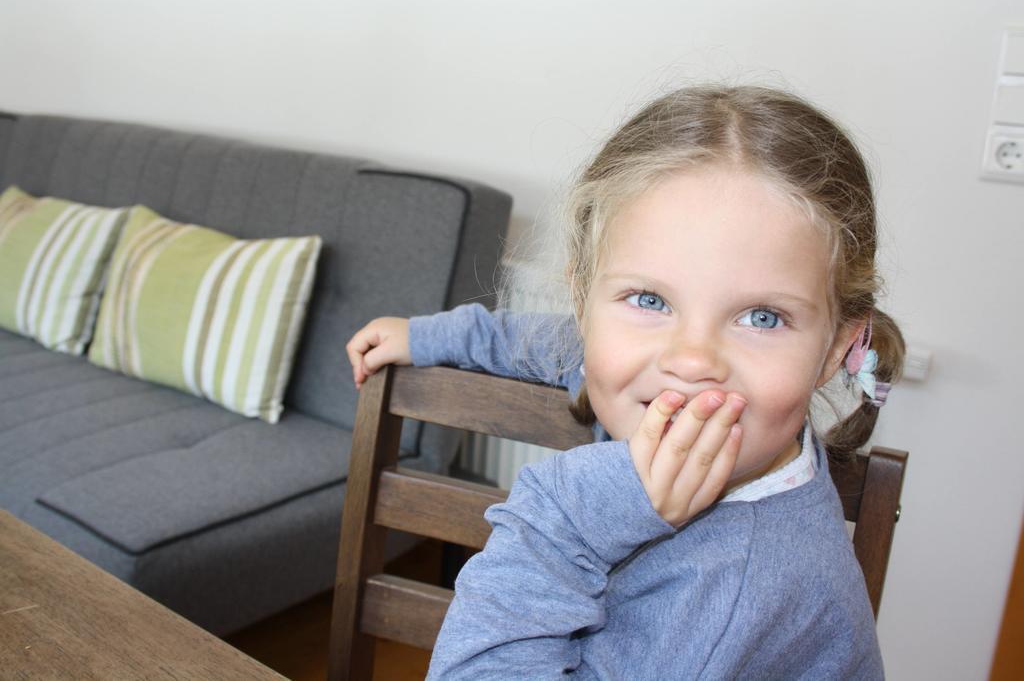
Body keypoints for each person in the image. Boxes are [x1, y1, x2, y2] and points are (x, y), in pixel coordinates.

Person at [346, 85, 904, 679]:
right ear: (584, 301)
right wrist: (429, 336)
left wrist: (573, 520)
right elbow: (556, 345)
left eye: (761, 317)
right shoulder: (666, 388)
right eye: (649, 299)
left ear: (837, 349)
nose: (691, 360)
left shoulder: (735, 603)